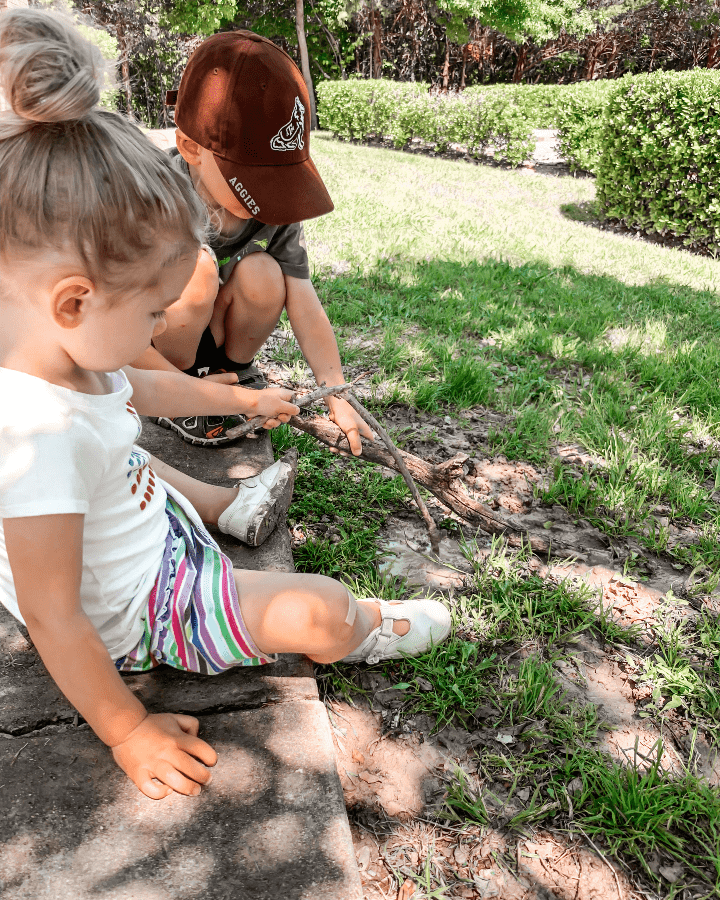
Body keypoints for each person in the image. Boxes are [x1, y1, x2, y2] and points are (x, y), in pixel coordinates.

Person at [0, 9, 451, 800]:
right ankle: (370, 625)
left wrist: (231, 396)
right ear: (73, 301)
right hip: (140, 607)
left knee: (132, 455)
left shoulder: (66, 363)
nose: (155, 330)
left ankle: (224, 508)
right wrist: (127, 727)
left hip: (137, 528)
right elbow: (53, 617)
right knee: (317, 610)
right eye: (149, 314)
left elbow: (139, 387)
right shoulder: (38, 439)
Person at [131, 30, 373, 454]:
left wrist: (335, 390)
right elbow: (121, 325)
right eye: (257, 179)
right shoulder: (155, 197)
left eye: (280, 180)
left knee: (266, 272)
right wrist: (181, 389)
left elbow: (303, 298)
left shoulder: (271, 210)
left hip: (218, 329)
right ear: (191, 147)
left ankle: (234, 370)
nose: (269, 199)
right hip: (159, 343)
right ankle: (183, 395)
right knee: (195, 267)